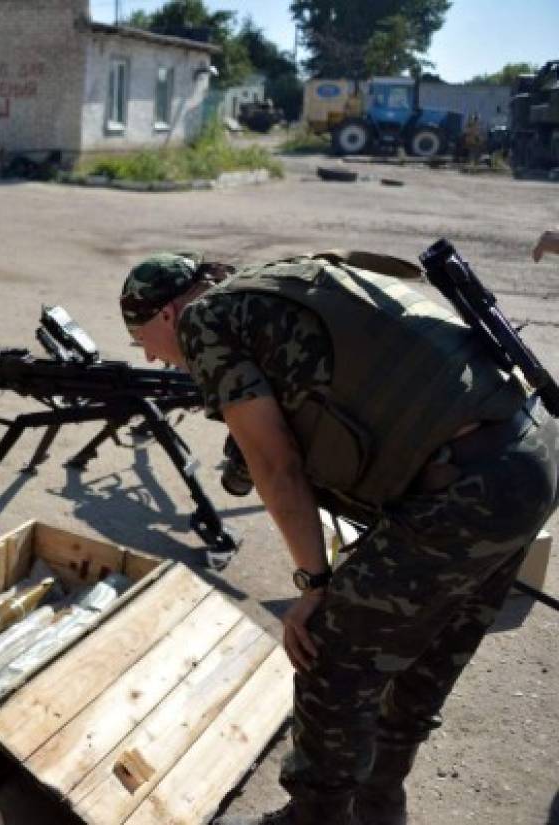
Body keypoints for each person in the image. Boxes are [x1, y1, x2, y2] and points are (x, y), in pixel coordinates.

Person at [119, 251, 559, 825]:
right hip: (530, 456)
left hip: (464, 489)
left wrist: (315, 583)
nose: (154, 356)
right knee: (429, 649)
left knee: (327, 651)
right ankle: (379, 803)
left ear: (170, 311)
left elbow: (276, 468)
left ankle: (318, 817)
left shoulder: (205, 322)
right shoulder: (282, 281)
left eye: (143, 339)